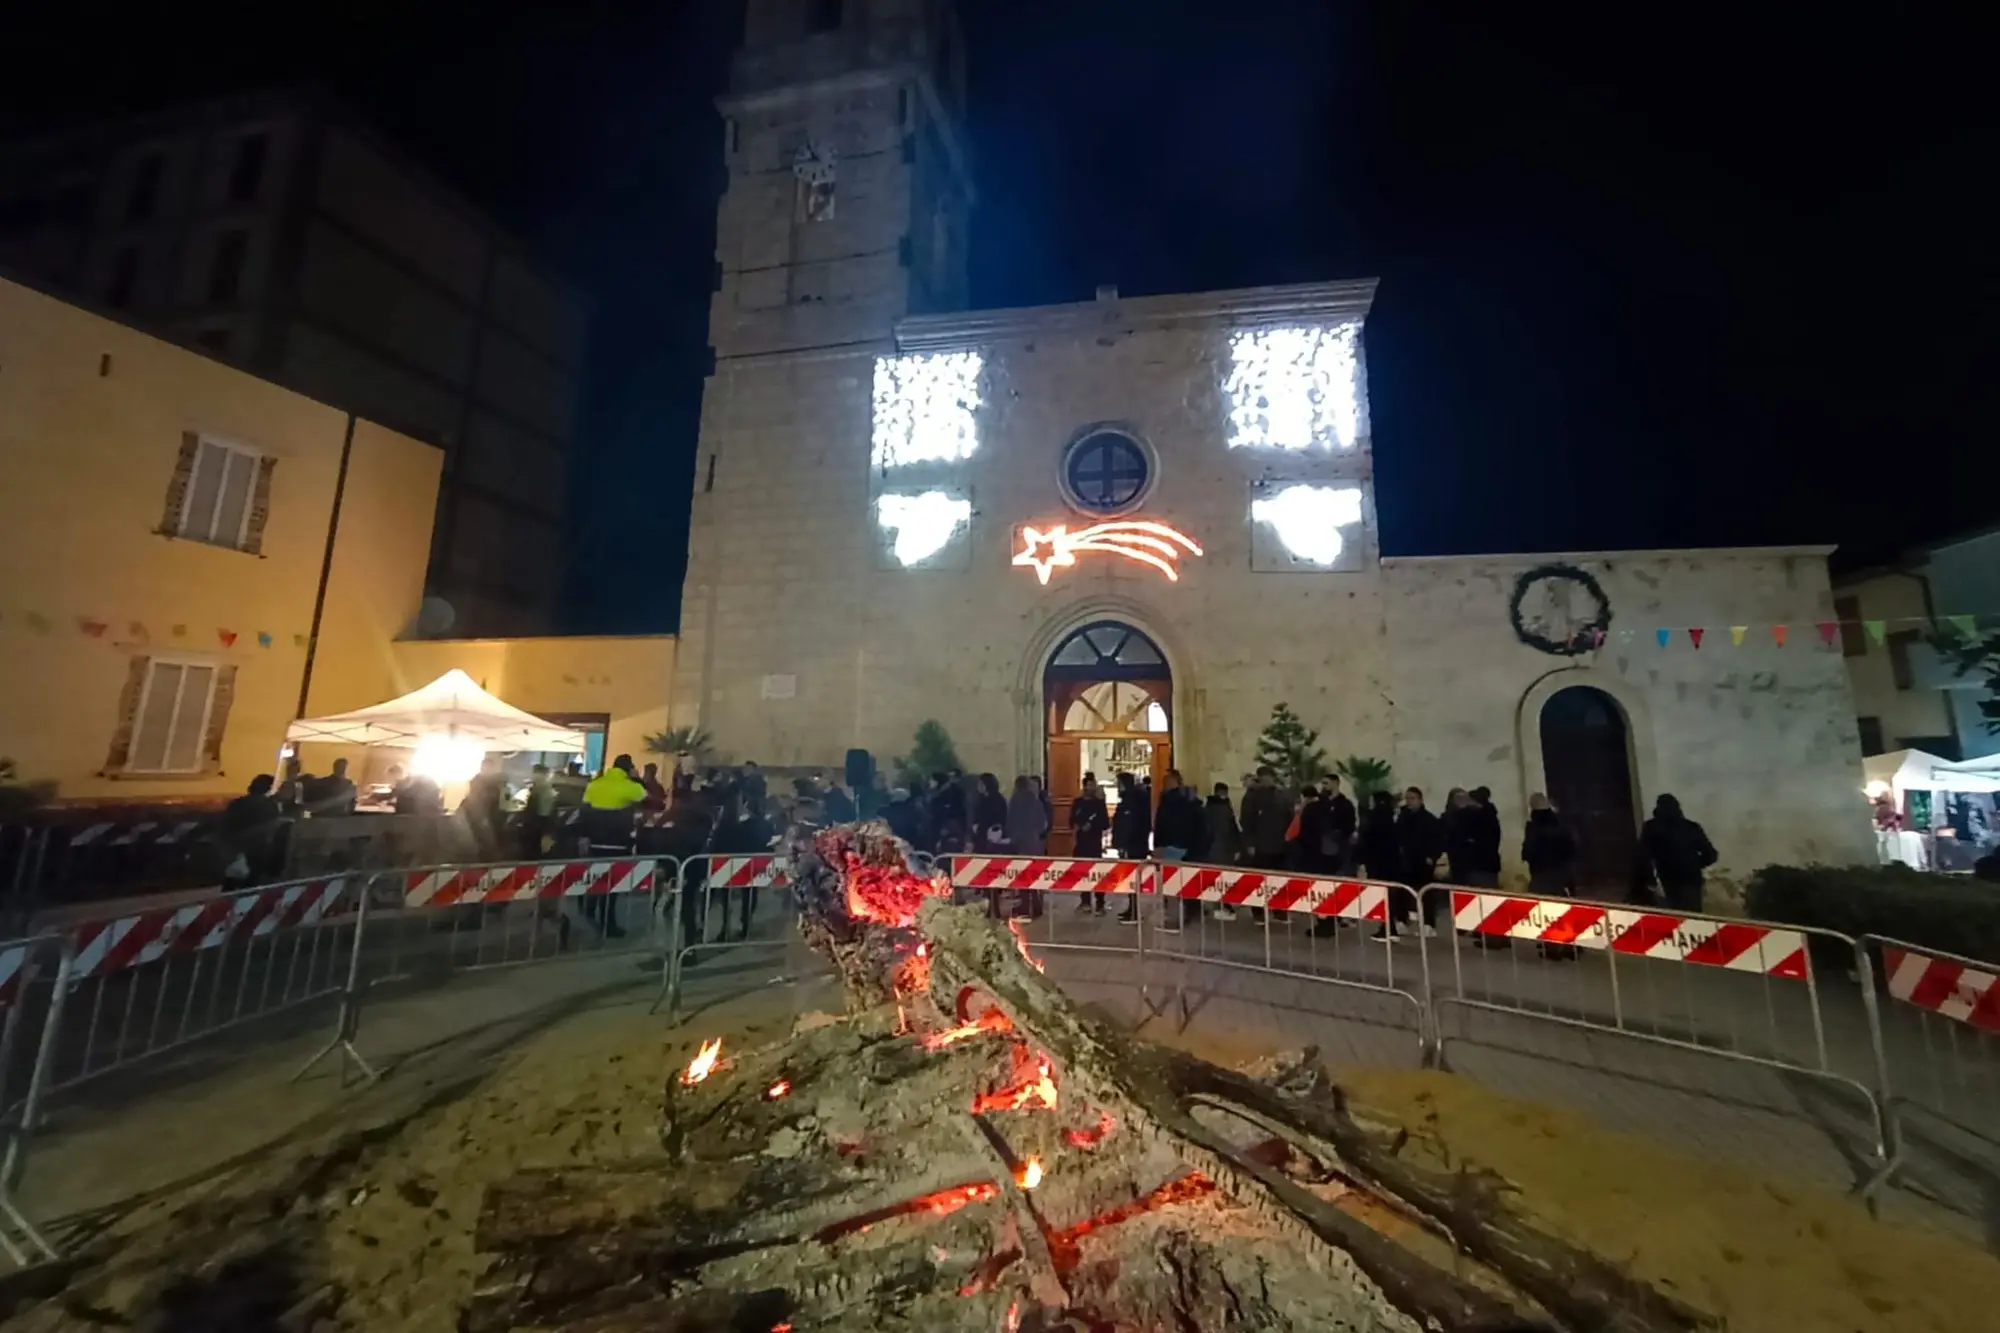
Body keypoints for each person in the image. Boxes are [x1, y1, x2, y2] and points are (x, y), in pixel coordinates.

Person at [581, 755, 650, 936]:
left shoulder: (594, 784)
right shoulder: (630, 786)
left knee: (595, 877)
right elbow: (647, 797)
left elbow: (585, 810)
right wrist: (635, 778)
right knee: (612, 886)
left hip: (595, 841)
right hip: (618, 842)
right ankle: (608, 924)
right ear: (629, 768)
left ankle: (589, 908)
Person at [1522, 793, 1580, 959]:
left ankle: (1553, 946)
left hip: (1543, 872)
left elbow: (1529, 851)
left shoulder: (1534, 826)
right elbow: (1573, 845)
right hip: (1563, 871)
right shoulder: (1562, 823)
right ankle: (1570, 945)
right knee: (1566, 908)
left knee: (1547, 910)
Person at [1382, 787, 1443, 941]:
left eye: (1413, 798)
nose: (1409, 801)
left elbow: (1438, 840)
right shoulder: (1403, 817)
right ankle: (1402, 920)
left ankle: (1429, 924)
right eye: (1407, 798)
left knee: (1425, 893)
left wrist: (1432, 856)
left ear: (1420, 800)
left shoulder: (1429, 819)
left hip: (1422, 862)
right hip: (1404, 861)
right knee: (1402, 892)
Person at [1639, 793, 1718, 913]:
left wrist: (1650, 880)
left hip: (1668, 878)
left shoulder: (1651, 827)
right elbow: (1711, 855)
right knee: (1694, 916)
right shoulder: (1691, 827)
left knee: (1674, 916)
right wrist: (1695, 864)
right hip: (1691, 878)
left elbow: (1643, 855)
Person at [1153, 769, 1208, 930]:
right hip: (1187, 847)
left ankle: (1173, 921)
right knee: (1186, 882)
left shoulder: (1170, 801)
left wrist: (1158, 845)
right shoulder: (1190, 801)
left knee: (1171, 885)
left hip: (1172, 846)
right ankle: (1191, 913)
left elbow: (1163, 825)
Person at [219, 774, 286, 887]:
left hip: (233, 847)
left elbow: (226, 823)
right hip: (256, 850)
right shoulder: (269, 805)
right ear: (268, 788)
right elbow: (272, 827)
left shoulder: (237, 802)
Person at [1111, 771, 1153, 924]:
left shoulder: (1132, 801)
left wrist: (1122, 844)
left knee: (1132, 880)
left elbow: (1128, 826)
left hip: (1132, 847)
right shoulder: (1132, 799)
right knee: (1130, 881)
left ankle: (1134, 912)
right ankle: (1132, 908)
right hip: (1134, 845)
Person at [1005, 776, 1047, 919]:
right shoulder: (1036, 802)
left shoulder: (1015, 801)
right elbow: (1043, 824)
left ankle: (1024, 908)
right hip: (1034, 844)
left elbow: (1010, 822)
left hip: (1020, 844)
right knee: (1034, 877)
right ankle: (1037, 906)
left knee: (1023, 878)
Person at [1070, 773, 1112, 913]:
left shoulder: (1099, 804)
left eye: (1093, 785)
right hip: (1081, 843)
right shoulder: (1078, 803)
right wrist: (1077, 825)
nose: (1092, 788)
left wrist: (1093, 826)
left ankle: (1100, 902)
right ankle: (1085, 901)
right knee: (1082, 873)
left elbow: (1105, 823)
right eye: (1089, 785)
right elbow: (1072, 819)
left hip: (1094, 843)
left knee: (1097, 874)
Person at [462, 756, 507, 856]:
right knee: (484, 841)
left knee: (488, 841)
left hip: (491, 815)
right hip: (482, 816)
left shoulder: (492, 781)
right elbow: (476, 799)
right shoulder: (478, 781)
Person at [519, 763, 558, 860]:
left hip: (536, 831)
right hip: (532, 830)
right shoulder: (538, 790)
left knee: (534, 858)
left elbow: (546, 816)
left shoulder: (544, 792)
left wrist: (547, 835)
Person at [1324, 775, 1358, 873]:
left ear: (1335, 784)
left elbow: (1350, 825)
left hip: (1339, 849)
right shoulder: (1322, 803)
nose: (1323, 786)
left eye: (1326, 783)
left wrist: (1337, 834)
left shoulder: (1346, 804)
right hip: (1322, 849)